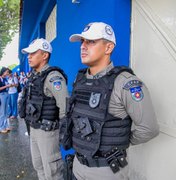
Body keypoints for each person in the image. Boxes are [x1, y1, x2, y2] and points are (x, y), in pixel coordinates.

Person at [61, 22, 159, 180]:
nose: (83, 46)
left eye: (91, 41)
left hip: (107, 170)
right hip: (78, 165)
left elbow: (149, 128)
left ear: (108, 48)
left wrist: (118, 140)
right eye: (82, 41)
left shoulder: (126, 83)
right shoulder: (80, 80)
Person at [19, 38, 69, 180]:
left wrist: (64, 134)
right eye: (29, 54)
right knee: (39, 167)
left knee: (52, 172)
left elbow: (65, 107)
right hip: (34, 129)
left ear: (45, 55)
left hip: (48, 133)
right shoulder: (34, 76)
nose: (29, 56)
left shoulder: (53, 77)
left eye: (33, 53)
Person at [0, 67, 11, 133]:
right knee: (2, 112)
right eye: (7, 72)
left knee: (6, 111)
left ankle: (6, 126)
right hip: (2, 95)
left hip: (6, 94)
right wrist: (7, 86)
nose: (8, 73)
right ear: (3, 72)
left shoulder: (5, 79)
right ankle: (1, 127)